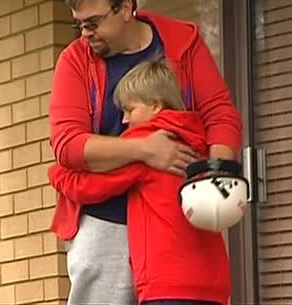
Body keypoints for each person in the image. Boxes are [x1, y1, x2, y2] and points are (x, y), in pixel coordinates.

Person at [48, 0, 242, 305]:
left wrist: (218, 175)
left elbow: (219, 113)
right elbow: (68, 144)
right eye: (79, 25)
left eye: (93, 23)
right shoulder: (74, 61)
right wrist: (144, 150)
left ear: (125, 8)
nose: (85, 34)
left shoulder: (181, 42)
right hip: (106, 222)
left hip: (172, 221)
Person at [49, 57, 230, 305]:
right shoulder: (198, 142)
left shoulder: (150, 142)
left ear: (155, 106)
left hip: (168, 284)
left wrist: (58, 173)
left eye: (130, 110)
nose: (124, 121)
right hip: (213, 285)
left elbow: (90, 187)